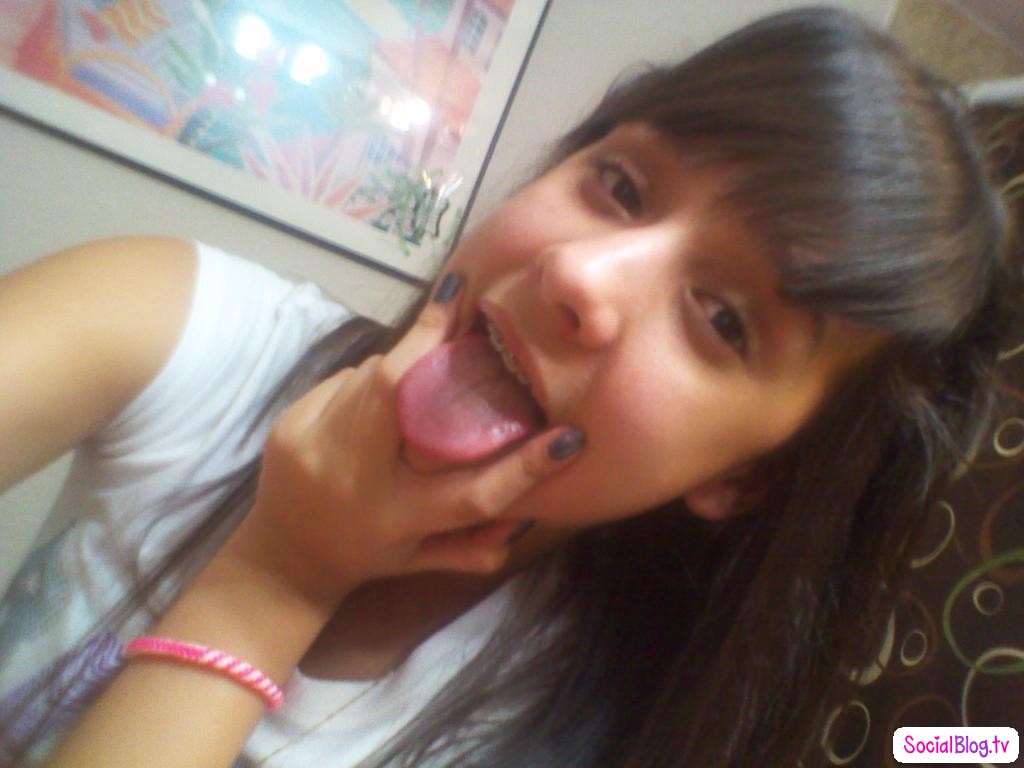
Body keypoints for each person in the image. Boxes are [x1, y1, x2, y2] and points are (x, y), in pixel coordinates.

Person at [1, 6, 1021, 767]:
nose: (581, 274)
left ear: (744, 478)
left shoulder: (592, 729)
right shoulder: (175, 321)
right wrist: (275, 573)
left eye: (722, 320)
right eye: (619, 185)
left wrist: (278, 584)